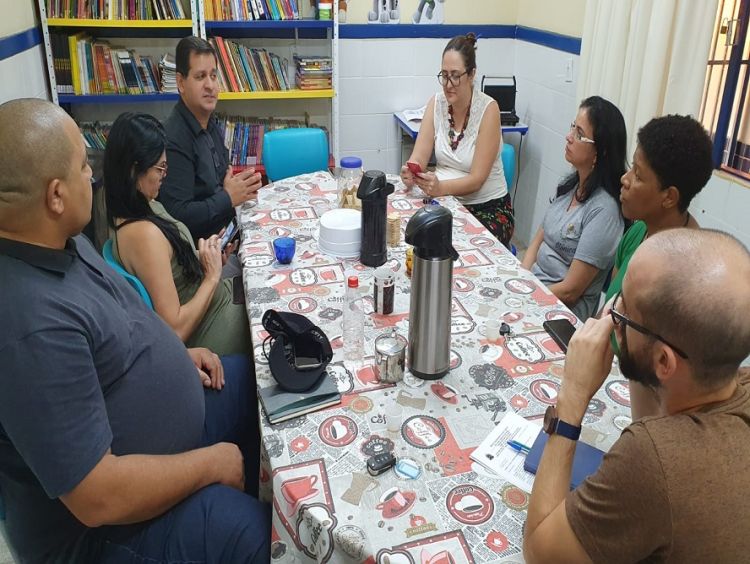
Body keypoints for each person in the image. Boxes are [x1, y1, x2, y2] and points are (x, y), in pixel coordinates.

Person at [0, 98, 269, 563]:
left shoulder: (61, 242)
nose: (93, 176)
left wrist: (177, 355)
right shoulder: (28, 324)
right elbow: (96, 496)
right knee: (263, 541)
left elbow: (124, 322)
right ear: (55, 195)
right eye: (84, 165)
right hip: (113, 530)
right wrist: (210, 465)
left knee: (264, 387)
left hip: (171, 434)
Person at [523, 228, 750, 563]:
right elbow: (657, 417)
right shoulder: (729, 382)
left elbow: (542, 552)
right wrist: (635, 342)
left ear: (664, 361)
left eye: (624, 310)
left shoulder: (653, 458)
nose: (611, 314)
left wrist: (572, 397)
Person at [104, 112, 252, 357]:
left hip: (212, 301)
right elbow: (175, 330)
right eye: (159, 167)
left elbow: (167, 265)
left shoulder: (142, 205)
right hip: (208, 326)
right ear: (133, 170)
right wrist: (212, 276)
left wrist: (203, 258)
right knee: (277, 308)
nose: (164, 175)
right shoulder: (143, 235)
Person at [399, 33, 515, 247]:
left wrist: (440, 187)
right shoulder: (437, 103)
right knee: (410, 236)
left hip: (486, 207)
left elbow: (477, 180)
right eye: (444, 75)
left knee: (453, 248)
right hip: (446, 201)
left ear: (471, 75)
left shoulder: (488, 110)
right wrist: (410, 171)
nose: (448, 84)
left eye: (455, 76)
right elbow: (419, 157)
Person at [521, 96, 626, 320]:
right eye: (572, 128)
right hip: (535, 290)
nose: (569, 137)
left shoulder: (604, 211)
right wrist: (521, 278)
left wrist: (527, 296)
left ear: (600, 152)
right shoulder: (570, 186)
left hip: (562, 312)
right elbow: (538, 240)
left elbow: (571, 290)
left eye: (580, 134)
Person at [159, 36, 261, 241]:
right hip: (203, 255)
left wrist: (232, 190)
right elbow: (178, 215)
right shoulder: (174, 139)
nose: (210, 85)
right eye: (200, 77)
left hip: (227, 236)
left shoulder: (209, 122)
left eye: (213, 76)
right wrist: (228, 197)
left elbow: (222, 178)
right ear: (180, 82)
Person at [605, 114, 713, 303]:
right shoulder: (639, 231)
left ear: (669, 197)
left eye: (637, 175)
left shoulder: (688, 273)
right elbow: (609, 308)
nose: (625, 179)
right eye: (631, 167)